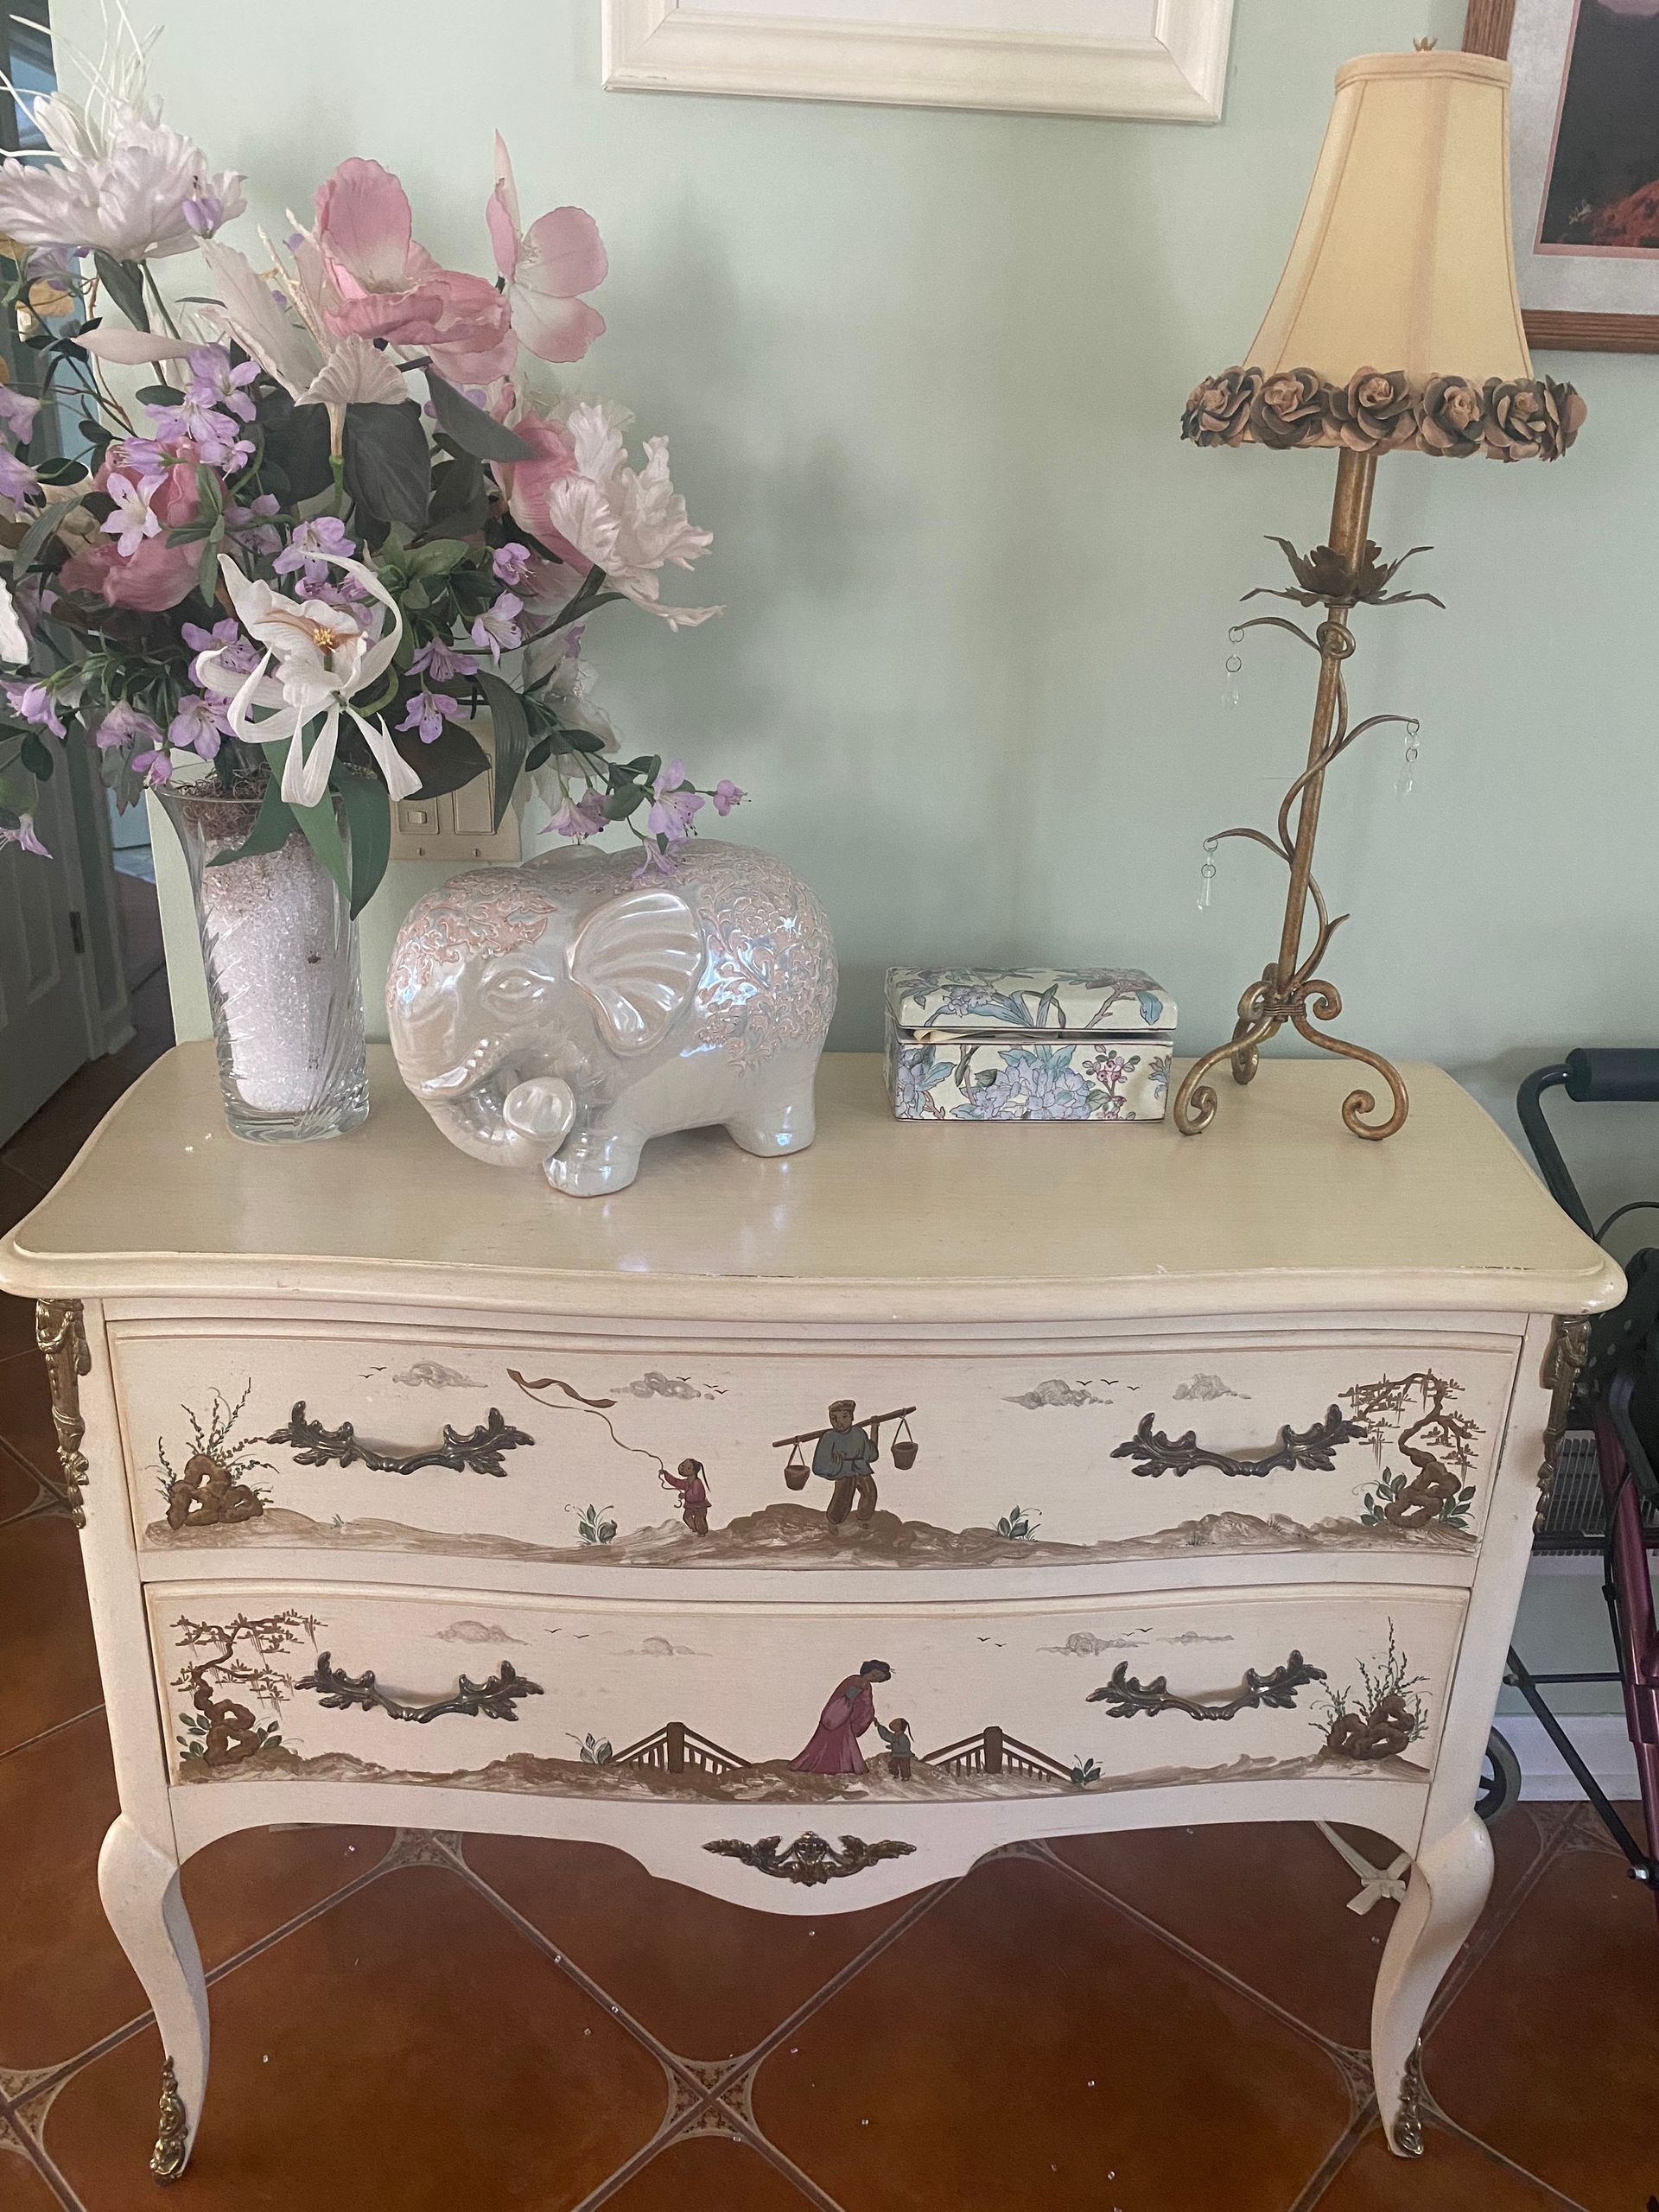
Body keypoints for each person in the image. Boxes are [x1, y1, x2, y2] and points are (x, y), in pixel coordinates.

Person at [789, 1659, 893, 1775]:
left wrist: (868, 1714)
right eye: (874, 1674)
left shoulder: (857, 1681)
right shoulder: (860, 1682)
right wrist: (853, 1713)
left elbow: (862, 1704)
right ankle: (837, 1768)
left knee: (827, 1743)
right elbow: (849, 1699)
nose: (875, 1679)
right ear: (868, 1670)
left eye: (878, 1679)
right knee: (840, 1743)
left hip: (843, 1715)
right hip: (841, 1716)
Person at [811, 1399, 880, 1526]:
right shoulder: (829, 1437)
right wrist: (836, 1463)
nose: (839, 1422)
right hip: (843, 1470)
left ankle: (863, 1519)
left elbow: (871, 1454)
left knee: (870, 1492)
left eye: (844, 1417)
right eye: (834, 1418)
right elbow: (819, 1465)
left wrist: (874, 1429)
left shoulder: (858, 1432)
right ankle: (833, 1523)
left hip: (860, 1468)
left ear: (852, 1417)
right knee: (843, 1497)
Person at [661, 1457, 711, 1536]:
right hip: (691, 1506)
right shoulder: (687, 1482)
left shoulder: (697, 1482)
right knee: (687, 1517)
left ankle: (702, 1533)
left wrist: (685, 1496)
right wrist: (666, 1474)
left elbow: (698, 1496)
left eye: (688, 1468)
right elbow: (676, 1482)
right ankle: (694, 1529)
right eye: (683, 1465)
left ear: (694, 1471)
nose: (683, 1468)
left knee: (699, 1519)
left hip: (700, 1506)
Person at [874, 1715, 914, 1782]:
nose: (892, 1723)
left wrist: (893, 1746)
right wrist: (879, 1725)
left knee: (904, 1766)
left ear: (900, 1727)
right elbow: (886, 1735)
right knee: (892, 1765)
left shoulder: (903, 1737)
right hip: (896, 1755)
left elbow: (905, 1748)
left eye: (896, 1723)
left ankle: (906, 1776)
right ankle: (896, 1774)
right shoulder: (895, 1736)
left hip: (904, 1755)